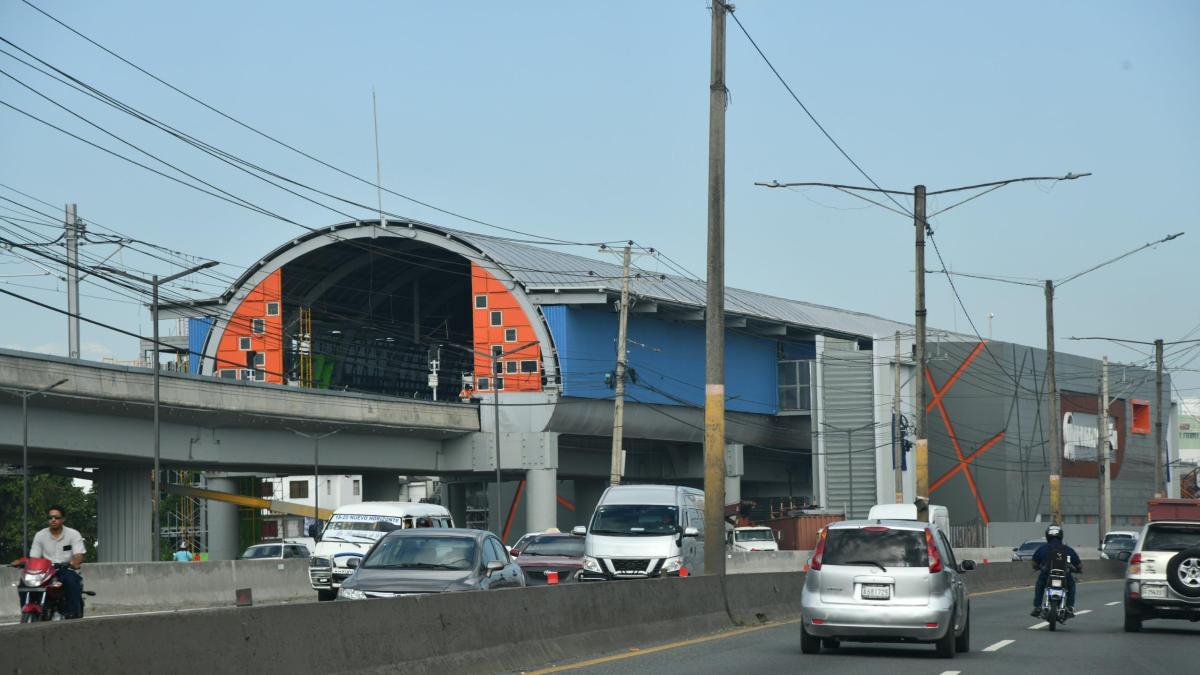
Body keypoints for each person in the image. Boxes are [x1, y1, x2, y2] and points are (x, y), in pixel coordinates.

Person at [10, 505, 86, 618]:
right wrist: (24, 563)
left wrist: (75, 562)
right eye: (50, 518)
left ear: (63, 519)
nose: (53, 520)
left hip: (65, 569)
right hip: (46, 571)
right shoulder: (40, 535)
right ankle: (26, 611)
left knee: (71, 580)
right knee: (24, 582)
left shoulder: (73, 534)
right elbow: (34, 557)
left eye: (57, 517)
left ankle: (72, 614)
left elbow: (78, 554)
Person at [1031, 524, 1081, 618]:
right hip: (1064, 576)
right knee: (1071, 586)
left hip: (1047, 575)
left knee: (1040, 584)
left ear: (1047, 535)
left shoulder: (1042, 549)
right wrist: (1078, 570)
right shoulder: (1068, 549)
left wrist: (1037, 567)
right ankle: (1070, 607)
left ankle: (1037, 607)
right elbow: (1078, 564)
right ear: (1061, 535)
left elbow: (1034, 563)